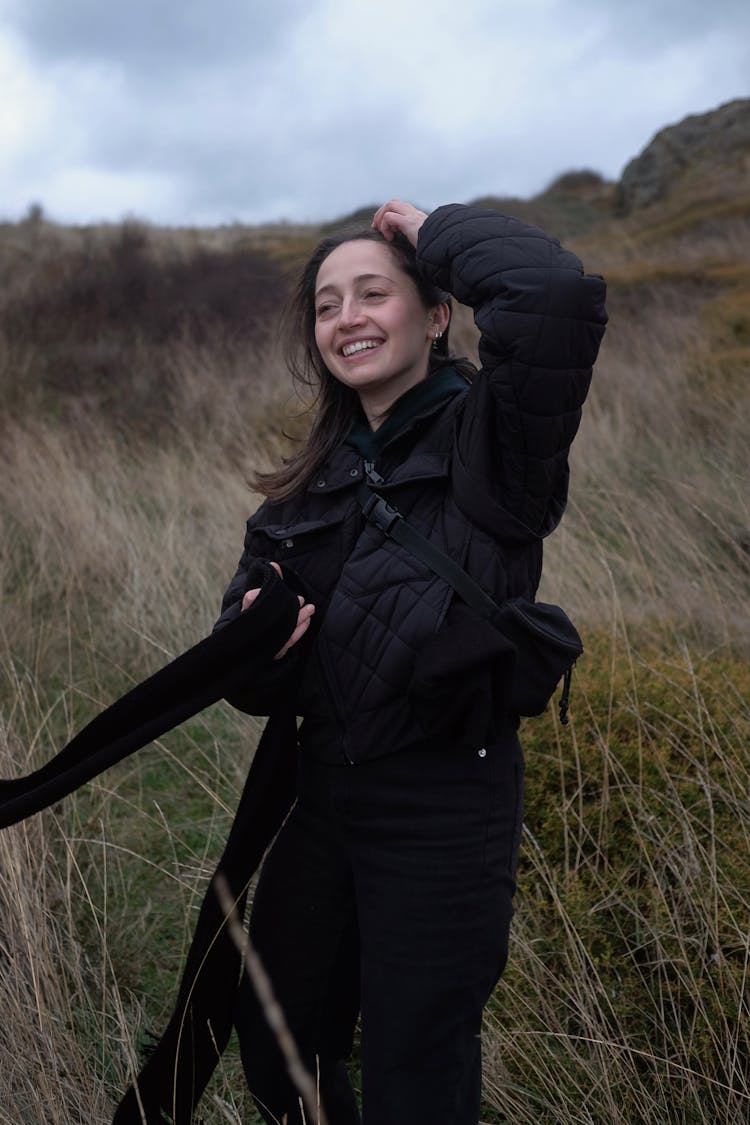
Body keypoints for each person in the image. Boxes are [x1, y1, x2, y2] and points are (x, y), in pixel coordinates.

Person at [214, 199, 607, 1125]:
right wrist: (260, 637)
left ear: (436, 315)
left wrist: (438, 238)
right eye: (326, 304)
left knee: (416, 1071)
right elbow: (247, 674)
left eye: (374, 293)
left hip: (444, 804)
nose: (346, 317)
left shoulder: (496, 446)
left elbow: (551, 294)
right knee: (278, 1052)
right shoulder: (307, 484)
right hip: (321, 798)